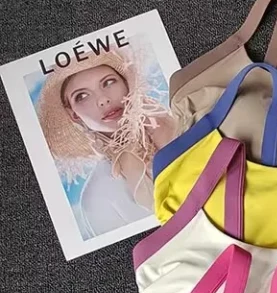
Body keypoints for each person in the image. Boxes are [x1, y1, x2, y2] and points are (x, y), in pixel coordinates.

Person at [37, 49, 176, 236]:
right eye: (82, 96)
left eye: (108, 82)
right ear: (73, 114)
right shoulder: (97, 196)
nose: (103, 99)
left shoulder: (184, 118)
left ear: (127, 83)